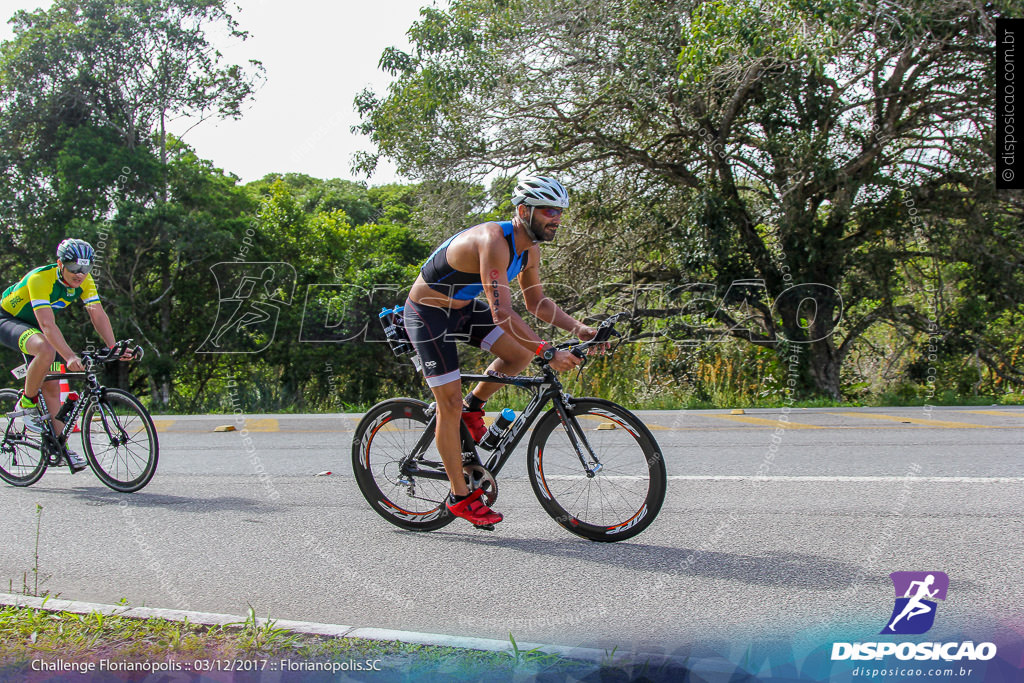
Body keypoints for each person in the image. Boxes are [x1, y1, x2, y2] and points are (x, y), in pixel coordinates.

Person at [404, 175, 602, 527]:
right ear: (524, 210)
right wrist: (547, 350)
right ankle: (460, 496)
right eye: (548, 211)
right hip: (428, 312)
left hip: (462, 308)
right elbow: (501, 313)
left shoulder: (530, 249)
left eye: (559, 211)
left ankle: (474, 407)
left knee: (518, 355)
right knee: (447, 403)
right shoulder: (494, 240)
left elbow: (537, 302)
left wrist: (580, 328)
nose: (556, 218)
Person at [0, 239, 131, 472]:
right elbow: (47, 325)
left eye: (86, 268)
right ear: (61, 263)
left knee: (52, 387)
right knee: (46, 349)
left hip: (36, 327)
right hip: (8, 320)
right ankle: (27, 403)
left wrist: (113, 347)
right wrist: (70, 356)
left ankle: (58, 447)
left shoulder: (85, 281)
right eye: (74, 268)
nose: (80, 274)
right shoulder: (40, 279)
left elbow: (97, 313)